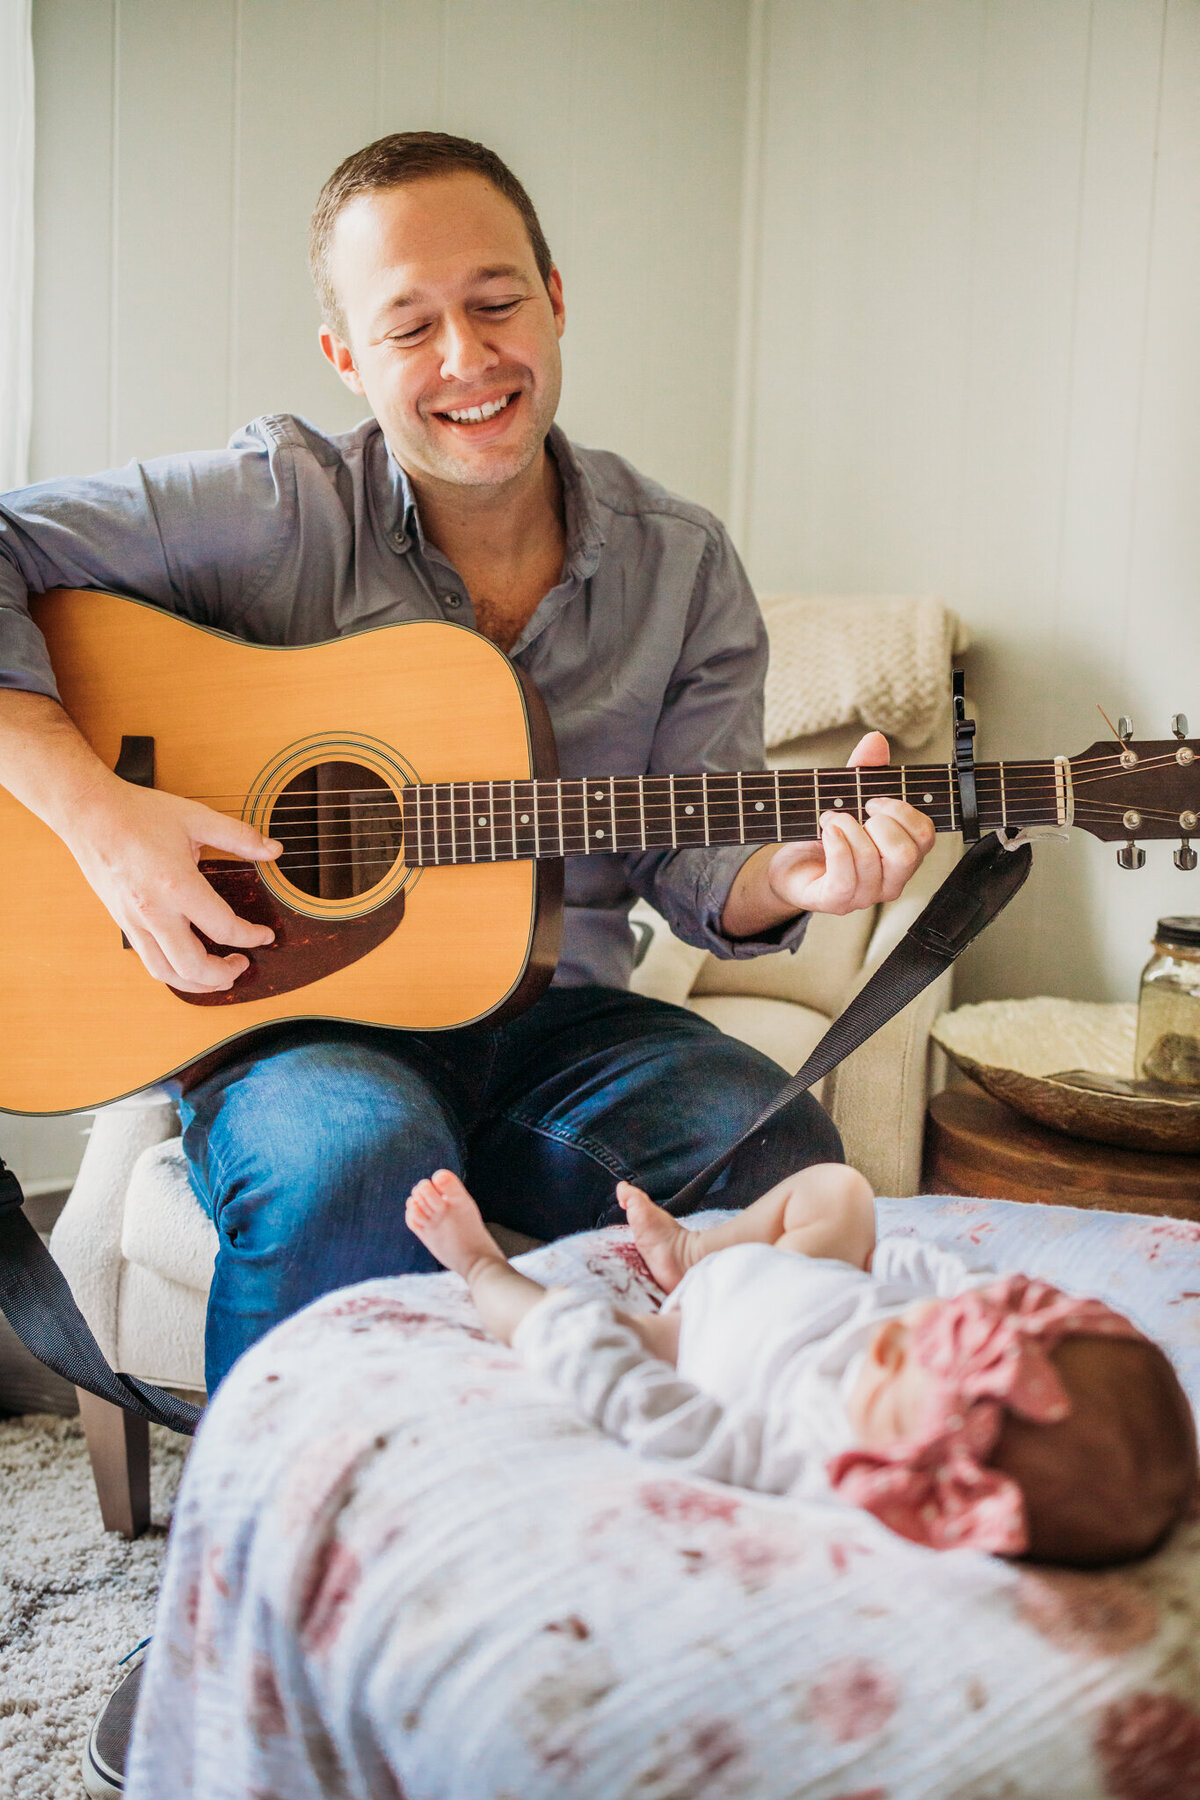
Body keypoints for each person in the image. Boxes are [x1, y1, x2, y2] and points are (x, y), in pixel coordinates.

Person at [1, 132, 935, 1412]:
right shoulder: (279, 505)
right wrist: (100, 817)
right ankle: (294, 1564)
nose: (467, 360)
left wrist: (796, 875)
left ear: (556, 295)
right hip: (297, 1026)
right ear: (346, 358)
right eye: (409, 327)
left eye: (497, 303)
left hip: (560, 1025)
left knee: (779, 1146)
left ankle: (663, 1493)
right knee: (356, 1155)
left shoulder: (683, 565)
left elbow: (696, 862)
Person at [406, 1163, 1199, 1567]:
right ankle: (691, 1248)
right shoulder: (967, 1334)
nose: (889, 1342)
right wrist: (916, 1284)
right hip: (813, 1272)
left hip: (693, 1340)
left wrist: (596, 1344)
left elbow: (676, 1424)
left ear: (909, 1484)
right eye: (934, 1329)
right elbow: (950, 1285)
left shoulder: (814, 1464)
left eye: (889, 1382)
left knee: (566, 1329)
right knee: (840, 1189)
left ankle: (478, 1267)